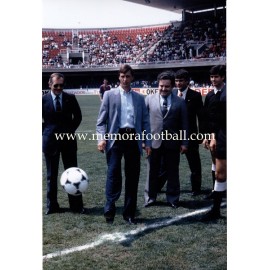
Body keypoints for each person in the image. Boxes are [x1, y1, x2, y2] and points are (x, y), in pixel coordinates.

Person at [96, 64, 151, 225]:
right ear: (118, 77)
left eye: (127, 76)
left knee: (132, 177)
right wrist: (101, 138)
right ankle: (110, 208)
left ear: (132, 78)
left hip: (133, 139)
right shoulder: (109, 95)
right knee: (113, 174)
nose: (125, 79)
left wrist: (147, 142)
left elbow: (146, 123)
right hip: (115, 138)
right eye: (122, 76)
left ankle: (129, 213)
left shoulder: (140, 99)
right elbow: (100, 122)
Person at [144, 71, 189, 208]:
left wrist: (184, 142)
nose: (164, 89)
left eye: (167, 86)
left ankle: (173, 198)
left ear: (173, 86)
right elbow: (143, 122)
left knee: (173, 172)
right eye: (161, 86)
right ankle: (150, 198)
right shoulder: (149, 99)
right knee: (151, 171)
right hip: (153, 142)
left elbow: (184, 124)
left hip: (173, 143)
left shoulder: (180, 102)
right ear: (158, 85)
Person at [42, 72, 85, 215]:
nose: (59, 88)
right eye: (56, 85)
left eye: (61, 85)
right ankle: (52, 206)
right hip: (50, 143)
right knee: (51, 176)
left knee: (73, 174)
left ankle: (76, 206)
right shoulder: (42, 100)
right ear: (49, 84)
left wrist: (69, 131)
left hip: (68, 142)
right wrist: (47, 132)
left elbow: (78, 117)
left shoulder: (70, 98)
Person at [201, 65, 226, 220]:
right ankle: (216, 209)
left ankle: (215, 209)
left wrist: (214, 136)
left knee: (220, 173)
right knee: (220, 173)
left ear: (223, 77)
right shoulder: (210, 96)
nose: (213, 79)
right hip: (219, 135)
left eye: (216, 76)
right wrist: (208, 136)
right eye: (211, 77)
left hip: (223, 135)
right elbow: (208, 119)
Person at [174, 69, 204, 196]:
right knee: (167, 164)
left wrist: (201, 135)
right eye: (176, 80)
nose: (178, 83)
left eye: (181, 80)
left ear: (187, 81)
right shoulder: (172, 94)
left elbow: (201, 117)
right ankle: (159, 187)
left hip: (190, 135)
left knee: (194, 164)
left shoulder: (195, 96)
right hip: (173, 135)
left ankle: (196, 189)